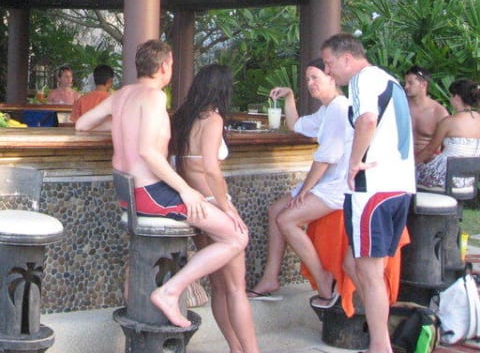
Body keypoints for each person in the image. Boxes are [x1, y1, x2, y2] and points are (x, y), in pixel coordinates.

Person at [76, 42, 254, 347]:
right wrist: (187, 190)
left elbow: (82, 124)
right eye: (171, 64)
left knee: (227, 234)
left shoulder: (122, 94)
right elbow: (148, 152)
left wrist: (125, 125)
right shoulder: (155, 96)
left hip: (128, 193)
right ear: (163, 67)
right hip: (151, 193)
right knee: (237, 236)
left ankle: (170, 293)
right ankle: (170, 291)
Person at [321, 34, 415, 353]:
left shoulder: (362, 79)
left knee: (370, 273)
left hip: (372, 189)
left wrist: (354, 163)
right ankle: (382, 335)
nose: (328, 71)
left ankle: (379, 346)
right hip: (398, 187)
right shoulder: (390, 81)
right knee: (353, 264)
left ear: (347, 58)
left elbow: (367, 120)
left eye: (330, 64)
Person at [168, 64, 261, 353]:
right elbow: (211, 168)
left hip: (193, 206)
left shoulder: (182, 118)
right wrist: (227, 208)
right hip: (211, 203)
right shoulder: (213, 119)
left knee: (220, 287)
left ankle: (235, 348)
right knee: (235, 288)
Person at [247, 59, 350, 306]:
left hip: (340, 187)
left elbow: (325, 158)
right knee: (276, 210)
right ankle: (270, 278)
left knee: (287, 219)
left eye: (315, 78)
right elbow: (296, 125)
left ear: (332, 77)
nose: (310, 83)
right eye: (307, 79)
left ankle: (323, 279)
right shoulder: (327, 109)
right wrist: (289, 97)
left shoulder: (339, 108)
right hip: (325, 183)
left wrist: (305, 190)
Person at [416, 79, 480, 189]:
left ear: (456, 97)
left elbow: (429, 150)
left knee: (413, 172)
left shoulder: (449, 122)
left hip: (446, 178)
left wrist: (411, 163)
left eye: (451, 96)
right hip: (469, 179)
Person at [404, 65, 449, 159]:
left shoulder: (438, 111)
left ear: (423, 84)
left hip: (429, 161)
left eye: (410, 83)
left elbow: (446, 144)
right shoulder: (401, 107)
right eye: (405, 83)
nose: (406, 86)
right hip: (403, 158)